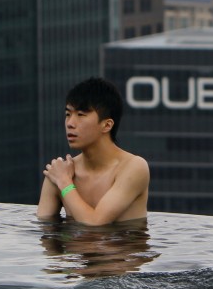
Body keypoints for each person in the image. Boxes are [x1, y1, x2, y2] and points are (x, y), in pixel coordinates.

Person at [36, 77, 150, 225]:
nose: (70, 123)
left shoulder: (133, 167)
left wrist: (64, 183)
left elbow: (96, 223)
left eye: (81, 115)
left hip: (121, 246)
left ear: (107, 125)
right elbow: (44, 230)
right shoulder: (59, 172)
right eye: (68, 114)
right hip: (74, 247)